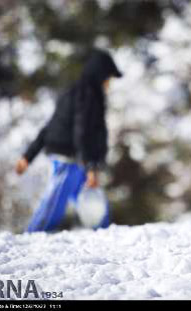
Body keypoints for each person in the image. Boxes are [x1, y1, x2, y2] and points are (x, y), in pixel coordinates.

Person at [15, 49, 123, 233]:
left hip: (77, 157)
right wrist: (91, 166)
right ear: (99, 75)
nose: (108, 83)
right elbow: (82, 131)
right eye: (108, 78)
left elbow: (50, 126)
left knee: (93, 202)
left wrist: (28, 156)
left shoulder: (79, 92)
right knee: (54, 203)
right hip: (68, 157)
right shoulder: (87, 95)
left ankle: (105, 233)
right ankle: (32, 236)